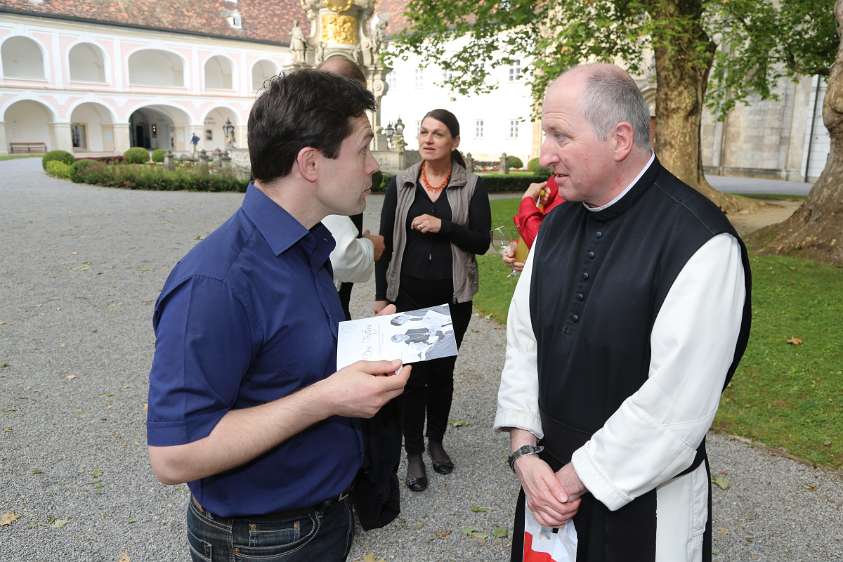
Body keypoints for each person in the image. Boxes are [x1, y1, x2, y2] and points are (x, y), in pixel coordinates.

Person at [146, 70, 411, 561]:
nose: (374, 166)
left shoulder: (303, 248)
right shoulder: (215, 282)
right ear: (310, 163)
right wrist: (328, 399)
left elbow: (285, 362)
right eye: (363, 149)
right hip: (263, 543)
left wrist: (368, 344)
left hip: (318, 521)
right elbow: (173, 456)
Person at [494, 63, 751, 562]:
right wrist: (525, 453)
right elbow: (525, 344)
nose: (545, 154)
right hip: (548, 488)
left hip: (642, 500)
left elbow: (676, 406)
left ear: (620, 138)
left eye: (560, 135)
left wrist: (569, 481)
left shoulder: (700, 243)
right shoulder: (557, 225)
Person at [375, 109, 491, 492]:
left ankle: (436, 442)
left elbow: (482, 242)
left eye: (438, 133)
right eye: (423, 131)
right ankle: (412, 454)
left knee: (441, 375)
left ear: (454, 141)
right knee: (411, 378)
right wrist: (381, 296)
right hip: (409, 294)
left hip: (452, 296)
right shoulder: (402, 183)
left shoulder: (472, 186)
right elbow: (385, 245)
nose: (428, 139)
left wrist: (446, 227)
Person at [318, 54, 385, 320]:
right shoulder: (327, 148)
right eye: (362, 150)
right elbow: (342, 257)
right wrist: (370, 246)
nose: (372, 166)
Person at [502, 175, 565, 272]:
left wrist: (527, 200)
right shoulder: (555, 181)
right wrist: (516, 246)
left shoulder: (576, 189)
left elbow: (544, 245)